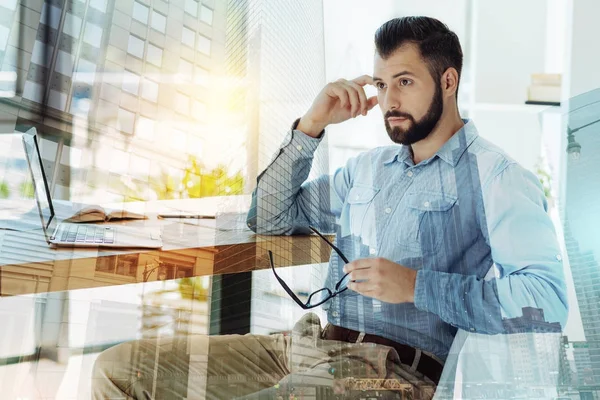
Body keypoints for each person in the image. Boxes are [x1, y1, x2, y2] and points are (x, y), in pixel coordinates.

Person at [92, 16, 568, 399]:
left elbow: (546, 302)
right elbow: (269, 217)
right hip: (307, 346)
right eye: (382, 84)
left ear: (448, 81)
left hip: (392, 375)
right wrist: (312, 124)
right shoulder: (369, 170)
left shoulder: (498, 179)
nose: (390, 101)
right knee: (119, 370)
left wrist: (417, 287)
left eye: (404, 81)